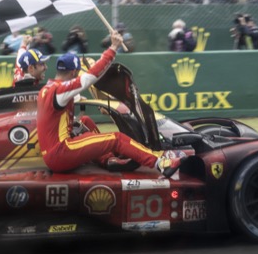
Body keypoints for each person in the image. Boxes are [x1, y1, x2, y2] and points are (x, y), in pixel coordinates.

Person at [37, 30, 179, 177]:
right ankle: (161, 163)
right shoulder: (60, 91)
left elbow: (55, 115)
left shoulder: (47, 89)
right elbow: (89, 78)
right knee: (117, 139)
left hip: (52, 154)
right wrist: (113, 48)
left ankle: (107, 159)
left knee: (85, 121)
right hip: (61, 152)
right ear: (74, 72)